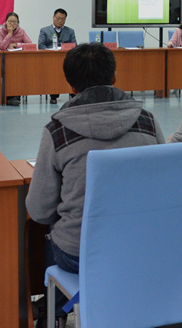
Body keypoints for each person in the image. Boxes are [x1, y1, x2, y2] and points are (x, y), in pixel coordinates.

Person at [25, 43, 163, 312]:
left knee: (50, 235)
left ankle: (54, 315)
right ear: (114, 78)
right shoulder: (147, 121)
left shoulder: (57, 131)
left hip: (81, 255)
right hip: (143, 246)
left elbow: (40, 210)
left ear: (70, 85)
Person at [38, 9, 77, 104]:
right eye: (58, 18)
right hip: (50, 59)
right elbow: (41, 46)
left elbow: (75, 46)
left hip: (66, 59)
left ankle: (73, 94)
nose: (60, 21)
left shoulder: (70, 31)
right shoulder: (44, 30)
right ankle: (53, 96)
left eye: (63, 19)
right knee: (53, 72)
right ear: (53, 17)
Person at [0, 12, 32, 105]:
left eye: (15, 22)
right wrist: (9, 34)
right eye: (10, 21)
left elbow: (30, 45)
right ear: (5, 22)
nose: (12, 24)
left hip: (18, 61)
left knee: (18, 70)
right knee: (9, 71)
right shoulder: (0, 32)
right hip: (4, 61)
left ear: (18, 23)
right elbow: (1, 46)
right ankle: (7, 96)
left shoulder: (21, 31)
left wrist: (16, 44)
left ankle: (16, 96)